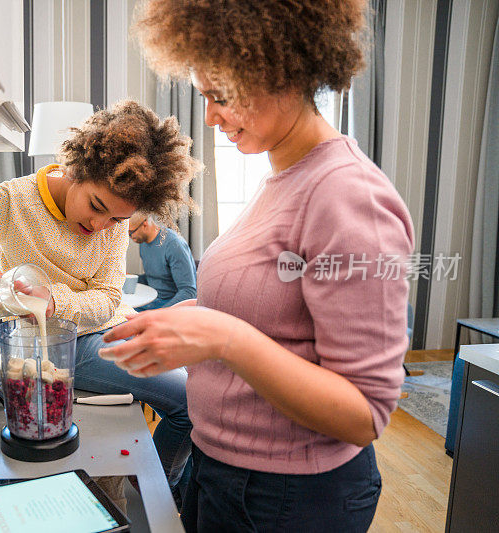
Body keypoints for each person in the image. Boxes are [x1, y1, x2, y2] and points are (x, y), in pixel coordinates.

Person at [98, 2, 415, 531]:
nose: (209, 116)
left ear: (281, 70)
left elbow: (364, 413)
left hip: (288, 496)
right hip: (226, 472)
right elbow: (267, 314)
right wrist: (183, 320)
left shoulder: (347, 195)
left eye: (220, 96)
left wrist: (223, 338)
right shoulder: (282, 180)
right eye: (205, 96)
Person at [0, 100, 201, 495]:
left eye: (116, 220)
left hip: (102, 329)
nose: (99, 226)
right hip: (45, 343)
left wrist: (55, 300)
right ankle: (158, 495)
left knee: (195, 397)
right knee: (188, 401)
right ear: (75, 169)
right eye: (97, 206)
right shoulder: (14, 201)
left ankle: (161, 494)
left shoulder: (112, 225)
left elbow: (107, 296)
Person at [128, 213, 197, 311]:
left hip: (170, 303)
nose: (130, 237)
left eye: (131, 232)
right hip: (152, 300)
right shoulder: (143, 243)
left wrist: (160, 313)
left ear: (145, 224)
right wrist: (127, 278)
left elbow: (189, 291)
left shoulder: (174, 244)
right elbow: (154, 277)